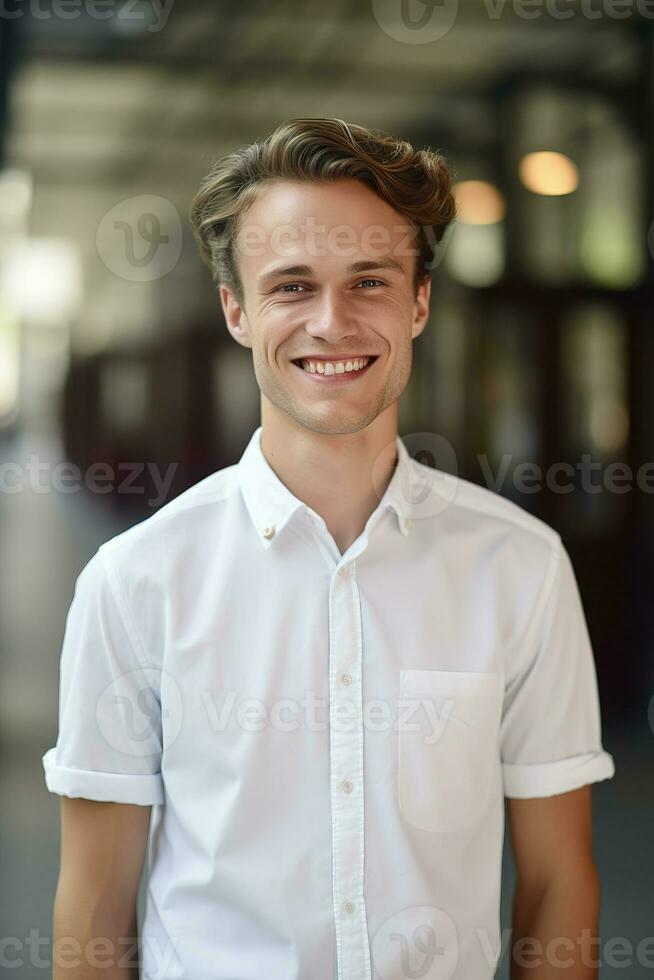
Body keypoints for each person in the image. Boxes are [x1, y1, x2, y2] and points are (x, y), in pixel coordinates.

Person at [43, 117, 615, 980]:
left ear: (420, 302)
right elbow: (93, 906)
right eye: (292, 286)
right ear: (237, 311)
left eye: (371, 281)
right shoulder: (135, 582)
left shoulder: (520, 568)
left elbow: (558, 883)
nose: (332, 322)